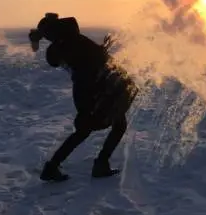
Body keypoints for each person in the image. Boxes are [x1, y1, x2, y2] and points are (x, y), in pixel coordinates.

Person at [28, 13, 138, 182]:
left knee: (89, 128)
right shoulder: (74, 36)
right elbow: (93, 58)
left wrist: (38, 37)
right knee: (111, 125)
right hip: (98, 86)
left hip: (84, 90)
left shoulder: (56, 49)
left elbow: (78, 60)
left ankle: (54, 166)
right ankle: (99, 163)